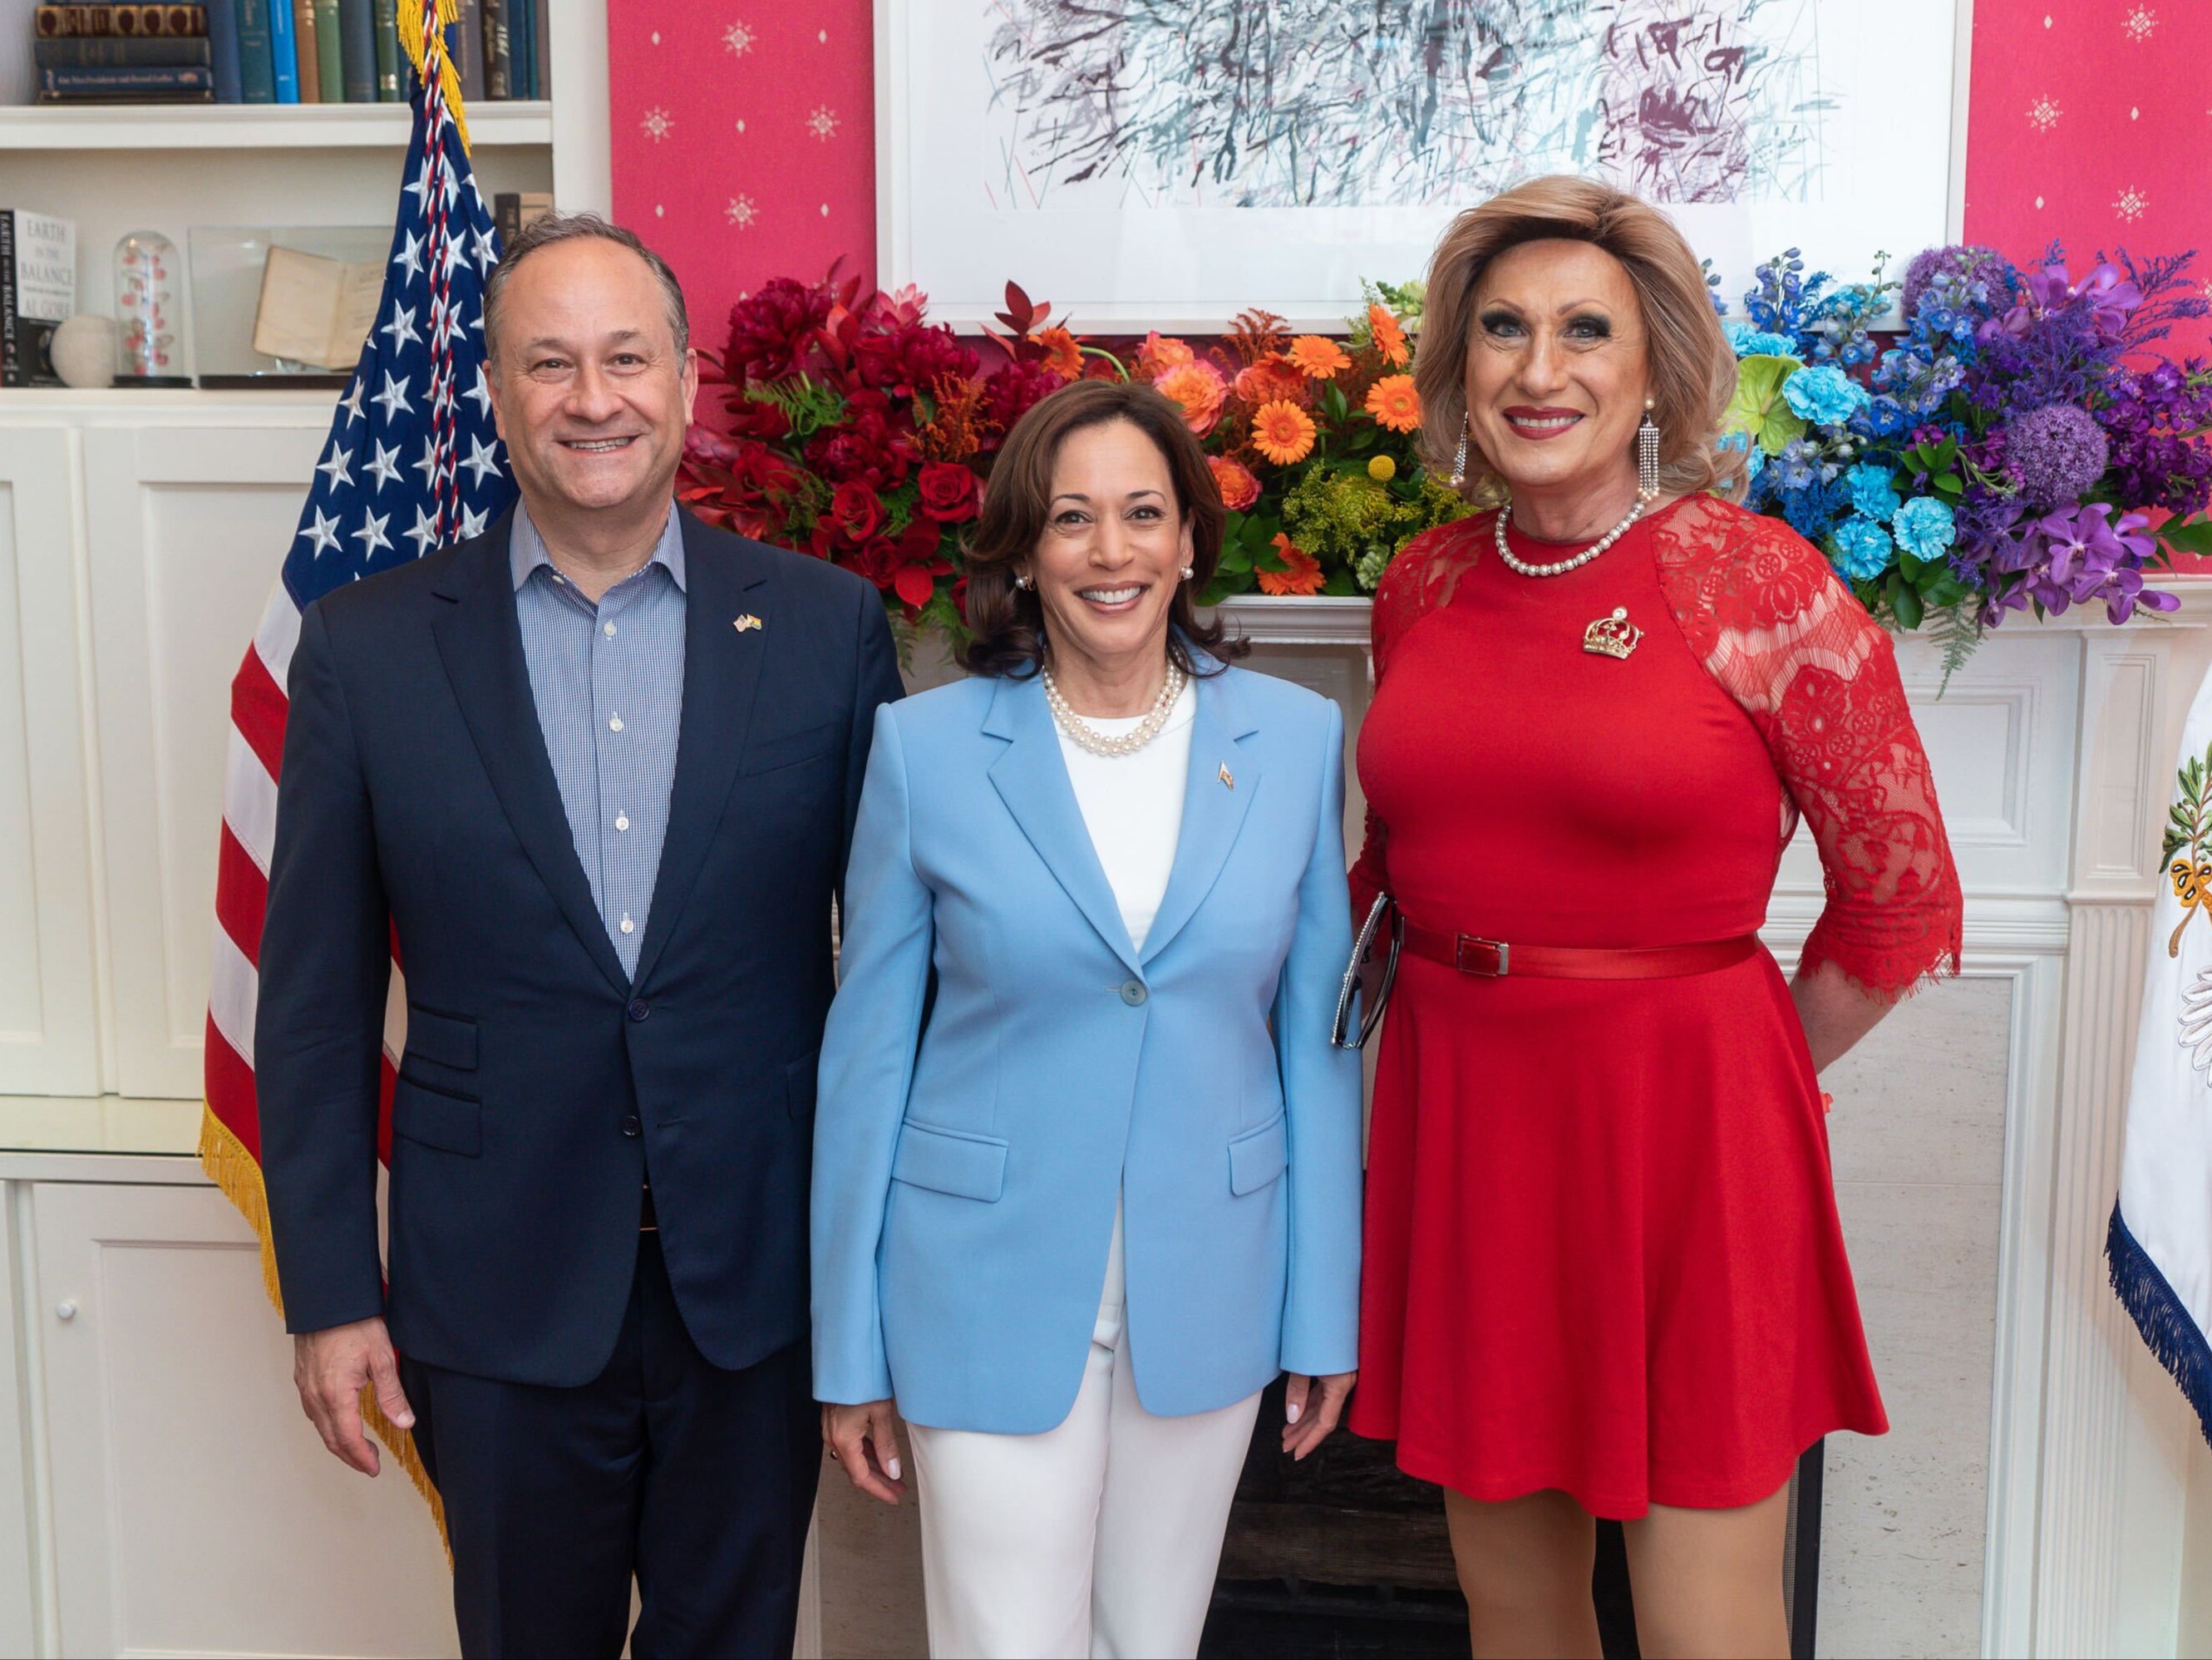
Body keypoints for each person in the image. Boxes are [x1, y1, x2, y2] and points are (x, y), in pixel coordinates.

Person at [256, 212, 903, 1658]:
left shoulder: (823, 627)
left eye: (625, 357)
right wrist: (329, 1292)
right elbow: (311, 1001)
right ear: (493, 392)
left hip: (758, 1282)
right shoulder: (365, 648)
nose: (590, 397)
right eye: (548, 362)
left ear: (685, 383)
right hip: (495, 1293)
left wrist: (889, 1275)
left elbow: (897, 978)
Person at [1347, 175, 1963, 1659]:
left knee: (1706, 1631)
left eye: (1582, 331)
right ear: (1455, 366)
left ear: (1650, 373)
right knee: (1514, 1616)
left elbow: (1899, 897)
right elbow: (1394, 868)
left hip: (1690, 1140)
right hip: (1466, 1129)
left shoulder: (1755, 581)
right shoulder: (1420, 586)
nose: (1536, 368)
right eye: (1500, 329)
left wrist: (1737, 1073)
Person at [810, 379, 1364, 1659]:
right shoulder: (924, 749)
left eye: (1141, 514)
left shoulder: (1293, 738)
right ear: (1022, 548)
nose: (1109, 552)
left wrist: (1320, 1310)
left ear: (1186, 542)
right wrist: (849, 1346)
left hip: (1213, 1286)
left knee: (1151, 1642)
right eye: (1071, 518)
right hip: (975, 1285)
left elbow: (1315, 1048)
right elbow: (867, 1057)